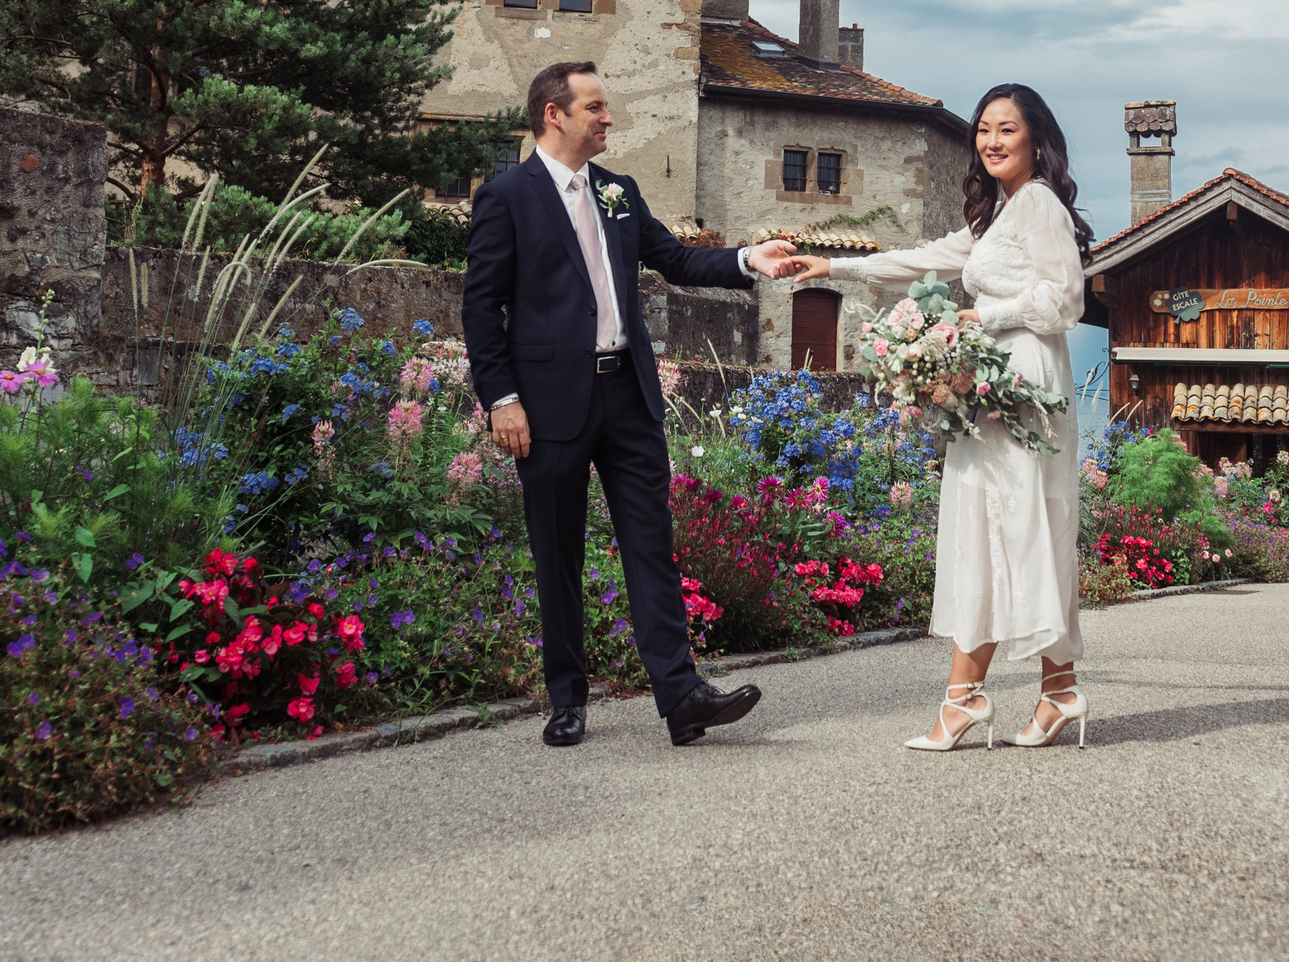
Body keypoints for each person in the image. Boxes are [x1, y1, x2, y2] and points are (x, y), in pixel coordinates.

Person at [462, 62, 801, 748]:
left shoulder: (619, 191)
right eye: (595, 106)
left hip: (628, 395)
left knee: (650, 545)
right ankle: (567, 698)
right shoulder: (507, 197)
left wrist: (747, 259)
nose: (608, 117)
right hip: (547, 405)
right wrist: (502, 399)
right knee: (557, 552)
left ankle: (682, 696)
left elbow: (676, 260)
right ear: (555, 114)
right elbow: (481, 306)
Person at [785, 84, 1095, 750]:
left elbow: (1067, 298)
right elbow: (923, 258)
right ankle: (1058, 690)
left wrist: (984, 315)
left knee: (1007, 523)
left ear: (1036, 139)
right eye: (983, 129)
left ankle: (965, 698)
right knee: (1007, 524)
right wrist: (833, 264)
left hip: (1024, 379)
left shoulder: (1039, 203)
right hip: (996, 380)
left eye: (1006, 128)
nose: (991, 141)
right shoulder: (998, 214)